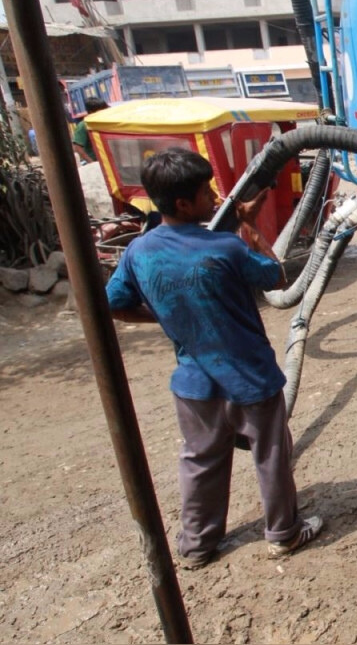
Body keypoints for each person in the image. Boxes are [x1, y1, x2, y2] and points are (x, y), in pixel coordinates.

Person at [106, 148, 322, 569]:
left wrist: (172, 317)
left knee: (200, 462)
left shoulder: (139, 252)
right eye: (205, 191)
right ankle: (284, 533)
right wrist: (249, 225)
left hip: (194, 385)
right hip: (251, 379)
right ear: (184, 203)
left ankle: (197, 547)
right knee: (271, 454)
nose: (213, 196)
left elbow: (112, 304)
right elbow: (276, 277)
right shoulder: (226, 247)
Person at [72, 96, 108, 164]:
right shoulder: (83, 125)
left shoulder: (104, 122)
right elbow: (77, 147)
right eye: (101, 110)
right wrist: (91, 162)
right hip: (96, 162)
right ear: (91, 111)